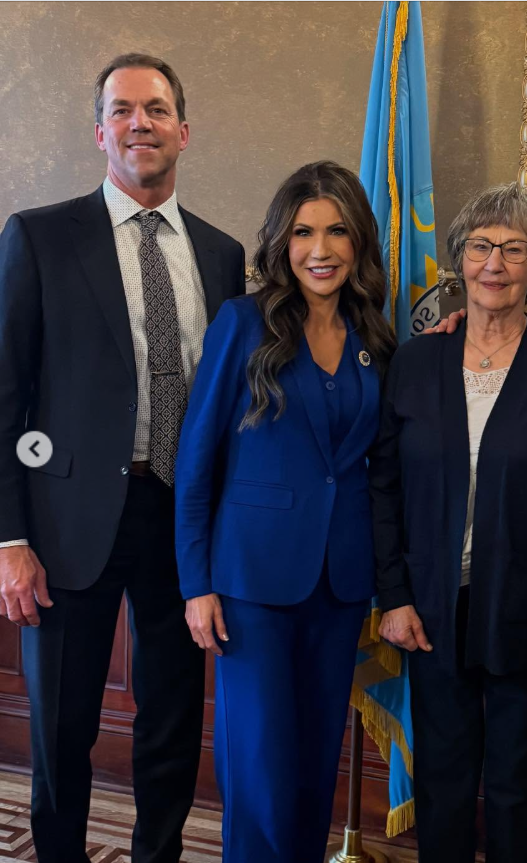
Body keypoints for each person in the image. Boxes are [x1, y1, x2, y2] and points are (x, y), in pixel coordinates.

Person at [0, 54, 244, 862]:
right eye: (123, 108)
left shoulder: (220, 254)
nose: (140, 121)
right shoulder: (38, 236)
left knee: (172, 719)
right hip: (67, 523)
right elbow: (5, 392)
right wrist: (9, 537)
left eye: (157, 108)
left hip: (181, 518)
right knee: (64, 726)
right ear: (101, 130)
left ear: (184, 129)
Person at [175, 160, 395, 861]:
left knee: (312, 763)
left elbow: (371, 465)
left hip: (337, 583)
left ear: (358, 241)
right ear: (282, 240)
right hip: (250, 584)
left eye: (336, 231)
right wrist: (196, 582)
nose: (320, 249)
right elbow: (196, 457)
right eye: (303, 232)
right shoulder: (244, 323)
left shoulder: (376, 338)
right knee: (261, 767)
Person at [369, 183, 527, 863]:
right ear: (458, 259)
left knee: (518, 778)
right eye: (481, 246)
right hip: (429, 607)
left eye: (515, 249)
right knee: (444, 775)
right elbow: (384, 483)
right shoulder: (418, 358)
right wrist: (393, 595)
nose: (495, 263)